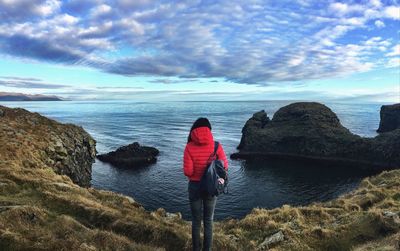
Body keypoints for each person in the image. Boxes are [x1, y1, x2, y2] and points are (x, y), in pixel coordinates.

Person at [183, 118, 228, 251]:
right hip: (211, 187)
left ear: (194, 130)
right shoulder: (216, 146)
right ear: (209, 129)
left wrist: (196, 173)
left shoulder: (189, 147)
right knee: (208, 220)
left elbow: (188, 171)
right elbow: (224, 166)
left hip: (195, 187)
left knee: (196, 221)